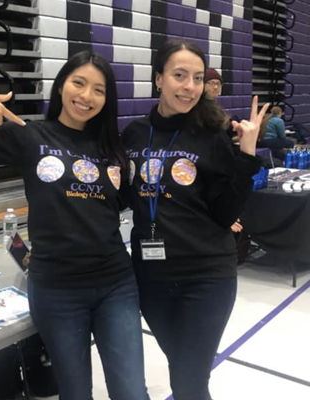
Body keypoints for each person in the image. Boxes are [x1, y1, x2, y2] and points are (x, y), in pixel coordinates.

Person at [0, 51, 150, 400]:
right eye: (79, 83)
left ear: (107, 100)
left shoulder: (112, 148)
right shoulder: (30, 136)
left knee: (132, 392)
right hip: (58, 290)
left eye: (99, 89)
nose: (86, 96)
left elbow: (118, 205)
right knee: (75, 393)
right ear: (61, 85)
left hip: (115, 285)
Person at [122, 39, 269, 400]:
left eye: (198, 78)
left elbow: (226, 212)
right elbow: (124, 197)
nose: (189, 86)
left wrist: (247, 155)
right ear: (158, 79)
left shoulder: (211, 135)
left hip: (206, 277)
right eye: (179, 75)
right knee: (184, 371)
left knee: (187, 380)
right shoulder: (134, 134)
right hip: (151, 278)